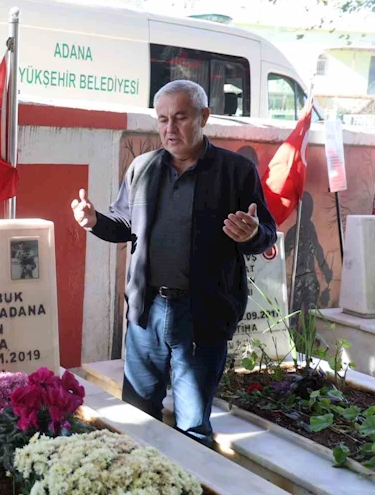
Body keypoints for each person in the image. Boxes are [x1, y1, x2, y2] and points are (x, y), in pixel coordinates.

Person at [71, 80, 277, 446]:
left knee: (193, 427)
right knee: (135, 419)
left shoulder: (235, 171)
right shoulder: (142, 168)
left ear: (204, 117)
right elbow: (124, 225)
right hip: (146, 314)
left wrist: (251, 234)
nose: (170, 128)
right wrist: (95, 221)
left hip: (202, 318)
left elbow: (267, 234)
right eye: (163, 119)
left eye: (180, 118)